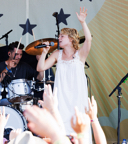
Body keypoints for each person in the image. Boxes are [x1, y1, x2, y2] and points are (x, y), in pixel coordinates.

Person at [37, 7, 92, 137]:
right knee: (61, 126)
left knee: (78, 127)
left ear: (71, 39)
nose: (59, 38)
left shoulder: (81, 54)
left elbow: (89, 40)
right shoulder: (57, 54)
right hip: (61, 96)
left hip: (77, 97)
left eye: (62, 36)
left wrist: (83, 22)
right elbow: (40, 68)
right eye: (59, 35)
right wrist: (44, 53)